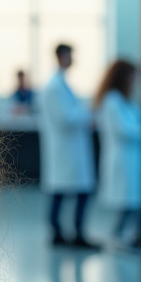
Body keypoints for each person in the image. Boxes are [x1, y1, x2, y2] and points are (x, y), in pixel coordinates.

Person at [39, 43, 98, 248]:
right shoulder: (54, 87)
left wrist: (85, 114)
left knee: (66, 191)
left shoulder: (61, 84)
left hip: (69, 150)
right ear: (63, 56)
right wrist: (88, 113)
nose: (73, 59)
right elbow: (65, 118)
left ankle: (70, 232)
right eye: (71, 55)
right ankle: (63, 232)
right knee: (66, 192)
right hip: (65, 151)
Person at [96, 60, 141, 247]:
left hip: (131, 160)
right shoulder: (112, 101)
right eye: (132, 76)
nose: (135, 81)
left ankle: (126, 236)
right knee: (128, 203)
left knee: (133, 202)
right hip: (122, 160)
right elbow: (123, 130)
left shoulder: (126, 101)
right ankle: (119, 237)